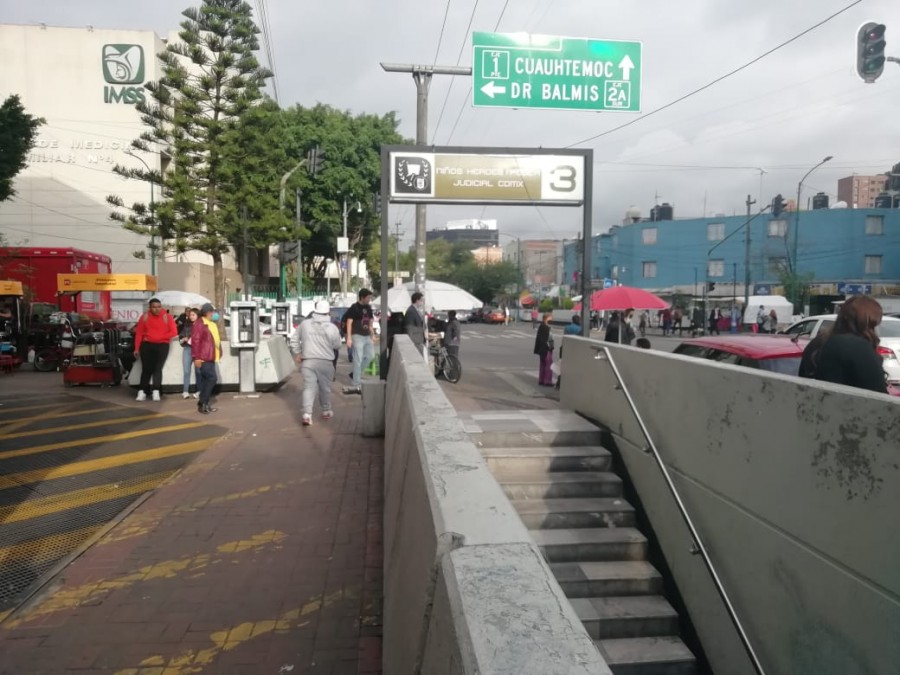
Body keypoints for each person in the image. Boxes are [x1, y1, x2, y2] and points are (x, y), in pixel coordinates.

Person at [800, 295, 887, 394]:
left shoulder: (818, 342)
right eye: (874, 325)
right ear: (867, 323)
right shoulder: (858, 347)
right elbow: (879, 393)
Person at [291, 300, 342, 426]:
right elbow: (337, 345)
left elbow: (294, 339)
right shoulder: (332, 328)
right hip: (326, 362)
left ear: (315, 310)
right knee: (325, 387)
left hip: (308, 362)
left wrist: (297, 352)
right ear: (328, 312)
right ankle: (326, 410)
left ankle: (307, 415)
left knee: (309, 387)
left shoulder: (305, 324)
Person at [133, 297, 178, 402]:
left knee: (158, 369)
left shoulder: (167, 317)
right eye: (154, 307)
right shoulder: (144, 317)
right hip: (147, 345)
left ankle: (156, 391)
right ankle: (142, 392)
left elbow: (174, 332)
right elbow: (139, 333)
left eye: (158, 307)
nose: (157, 309)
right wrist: (136, 348)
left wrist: (160, 337)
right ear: (150, 308)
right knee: (146, 369)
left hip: (162, 346)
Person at [190, 303, 222, 414]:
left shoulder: (211, 323)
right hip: (204, 357)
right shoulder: (199, 324)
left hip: (210, 356)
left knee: (205, 381)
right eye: (213, 312)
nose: (214, 314)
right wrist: (197, 358)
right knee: (212, 378)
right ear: (208, 312)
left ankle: (205, 403)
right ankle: (202, 403)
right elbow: (195, 342)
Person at [344, 288, 375, 392]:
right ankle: (356, 382)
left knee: (370, 356)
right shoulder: (354, 307)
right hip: (356, 335)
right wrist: (349, 338)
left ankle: (354, 374)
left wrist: (372, 333)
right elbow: (349, 322)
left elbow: (370, 321)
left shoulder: (369, 307)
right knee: (358, 359)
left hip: (367, 336)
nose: (370, 299)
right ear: (362, 297)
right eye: (368, 297)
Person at [178, 307, 200, 399]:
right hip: (187, 348)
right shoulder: (187, 325)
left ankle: (199, 391)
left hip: (198, 350)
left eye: (193, 315)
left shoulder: (201, 325)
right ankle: (185, 391)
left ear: (198, 315)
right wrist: (183, 339)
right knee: (186, 371)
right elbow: (181, 337)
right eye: (190, 315)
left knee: (198, 372)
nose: (191, 317)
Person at [534, 312, 554, 386]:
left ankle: (541, 379)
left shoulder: (542, 326)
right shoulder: (546, 327)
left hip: (542, 349)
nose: (552, 319)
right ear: (547, 318)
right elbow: (547, 340)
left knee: (543, 364)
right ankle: (547, 381)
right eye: (551, 317)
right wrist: (550, 347)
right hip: (546, 349)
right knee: (548, 365)